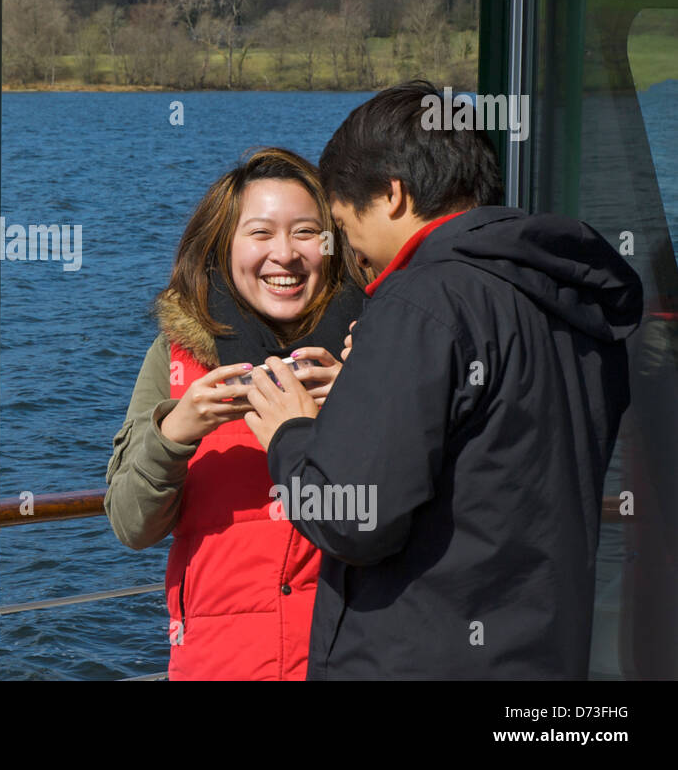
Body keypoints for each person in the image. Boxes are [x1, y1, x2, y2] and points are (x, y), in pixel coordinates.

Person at [243, 80, 643, 679]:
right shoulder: (572, 305)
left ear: (394, 195)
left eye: (346, 227)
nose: (353, 254)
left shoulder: (421, 300)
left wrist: (290, 432)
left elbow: (352, 518)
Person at [105, 147, 367, 680]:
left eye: (305, 232)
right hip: (217, 665)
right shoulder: (175, 357)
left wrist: (363, 397)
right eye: (261, 233)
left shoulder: (372, 343)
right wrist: (175, 431)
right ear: (223, 248)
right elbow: (132, 525)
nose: (285, 255)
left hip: (351, 659)